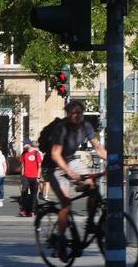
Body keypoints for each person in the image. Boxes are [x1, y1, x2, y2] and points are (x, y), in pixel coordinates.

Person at [46, 100, 107, 261]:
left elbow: (98, 148)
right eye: (73, 113)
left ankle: (91, 223)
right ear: (68, 113)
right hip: (55, 167)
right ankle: (59, 241)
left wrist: (115, 161)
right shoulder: (62, 129)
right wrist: (69, 172)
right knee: (66, 204)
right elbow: (55, 154)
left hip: (71, 161)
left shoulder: (86, 126)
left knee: (93, 186)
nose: (76, 115)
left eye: (79, 112)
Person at [19, 138, 42, 217]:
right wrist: (21, 178)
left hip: (34, 177)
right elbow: (22, 166)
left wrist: (38, 177)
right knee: (24, 193)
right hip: (26, 176)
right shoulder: (24, 154)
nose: (23, 146)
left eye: (24, 144)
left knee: (33, 195)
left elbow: (39, 166)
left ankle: (33, 211)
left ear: (29, 144)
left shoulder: (36, 153)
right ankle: (23, 210)